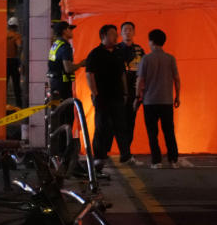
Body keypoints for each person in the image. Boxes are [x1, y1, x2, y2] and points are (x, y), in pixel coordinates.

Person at [86, 24, 135, 167]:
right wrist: (95, 93)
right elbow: (89, 74)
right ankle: (99, 155)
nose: (116, 37)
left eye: (116, 34)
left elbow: (122, 74)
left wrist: (125, 92)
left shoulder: (118, 53)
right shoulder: (95, 53)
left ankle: (125, 155)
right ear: (103, 36)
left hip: (118, 95)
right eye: (113, 34)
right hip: (102, 96)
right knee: (102, 126)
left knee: (121, 125)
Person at [135, 29, 181, 168]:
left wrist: (138, 97)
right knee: (169, 131)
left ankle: (157, 161)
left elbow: (140, 80)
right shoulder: (170, 58)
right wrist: (177, 96)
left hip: (150, 101)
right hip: (166, 100)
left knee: (152, 132)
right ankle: (173, 160)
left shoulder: (146, 59)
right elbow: (177, 79)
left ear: (151, 41)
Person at [46, 21, 84, 154]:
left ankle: (58, 149)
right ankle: (64, 151)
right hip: (63, 87)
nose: (71, 31)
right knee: (66, 118)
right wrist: (81, 64)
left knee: (57, 118)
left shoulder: (56, 44)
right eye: (70, 29)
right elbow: (68, 68)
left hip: (55, 85)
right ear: (64, 31)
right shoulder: (65, 46)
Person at [118, 21, 146, 145]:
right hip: (119, 92)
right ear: (121, 33)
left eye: (130, 29)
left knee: (131, 120)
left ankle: (127, 149)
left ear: (134, 32)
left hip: (135, 91)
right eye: (125, 30)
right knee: (119, 120)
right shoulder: (117, 49)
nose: (127, 32)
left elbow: (145, 70)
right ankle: (122, 148)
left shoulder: (139, 50)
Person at [6, 17, 23, 107]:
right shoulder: (17, 36)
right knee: (16, 84)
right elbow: (19, 46)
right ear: (16, 26)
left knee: (4, 85)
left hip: (4, 62)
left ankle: (2, 105)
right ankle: (19, 105)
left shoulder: (4, 34)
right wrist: (19, 56)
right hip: (13, 61)